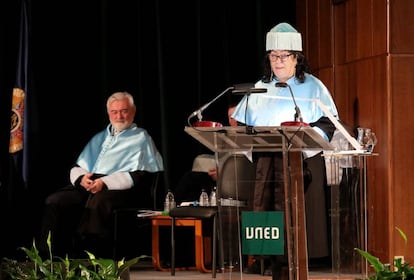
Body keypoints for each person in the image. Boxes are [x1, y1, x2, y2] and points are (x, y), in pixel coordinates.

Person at [231, 22, 338, 278]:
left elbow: (327, 124)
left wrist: (303, 140)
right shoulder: (259, 87)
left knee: (292, 217)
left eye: (283, 56)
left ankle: (294, 264)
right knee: (265, 211)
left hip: (300, 166)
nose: (277, 61)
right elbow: (243, 125)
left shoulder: (314, 87)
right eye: (273, 56)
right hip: (265, 164)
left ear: (296, 59)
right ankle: (266, 260)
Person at [38, 91, 164, 258]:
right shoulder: (100, 137)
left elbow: (141, 175)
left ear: (133, 112)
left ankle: (90, 255)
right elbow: (78, 165)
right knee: (56, 200)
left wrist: (105, 183)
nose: (119, 116)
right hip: (90, 183)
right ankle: (48, 257)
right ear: (108, 113)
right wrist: (82, 179)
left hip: (123, 188)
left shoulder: (141, 137)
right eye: (114, 112)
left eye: (124, 111)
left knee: (98, 202)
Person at [174, 103, 238, 204]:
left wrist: (222, 175)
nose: (233, 120)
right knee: (190, 178)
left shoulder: (249, 136)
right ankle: (173, 210)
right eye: (230, 117)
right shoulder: (226, 136)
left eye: (236, 116)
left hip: (234, 180)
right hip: (219, 176)